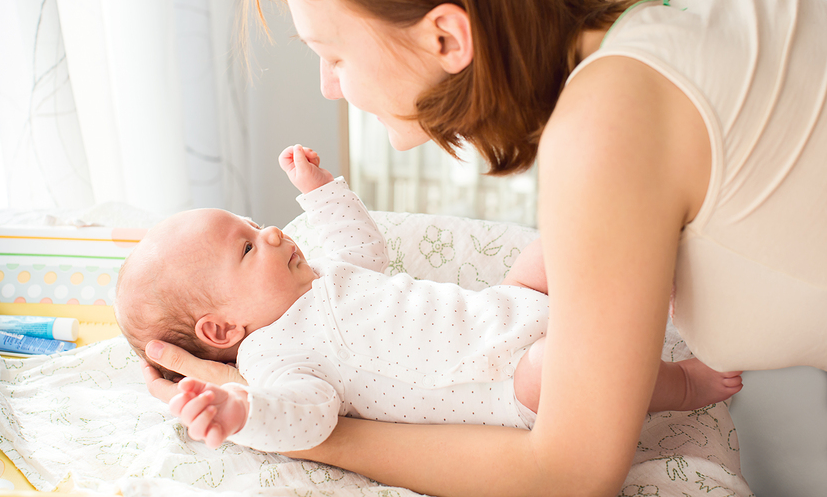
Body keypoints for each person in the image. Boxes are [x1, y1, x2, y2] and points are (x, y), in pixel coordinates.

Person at [143, 0, 827, 494]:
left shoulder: (606, 129)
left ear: (445, 37)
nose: (330, 86)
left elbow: (570, 473)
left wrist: (315, 426)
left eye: (334, 55)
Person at [116, 145, 741, 452]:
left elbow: (365, 246)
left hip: (505, 304)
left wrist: (320, 189)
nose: (273, 233)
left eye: (254, 225)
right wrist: (240, 414)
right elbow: (307, 419)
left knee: (554, 244)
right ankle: (677, 383)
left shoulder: (318, 273)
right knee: (565, 370)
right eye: (248, 249)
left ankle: (646, 262)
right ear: (221, 332)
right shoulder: (276, 361)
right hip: (504, 383)